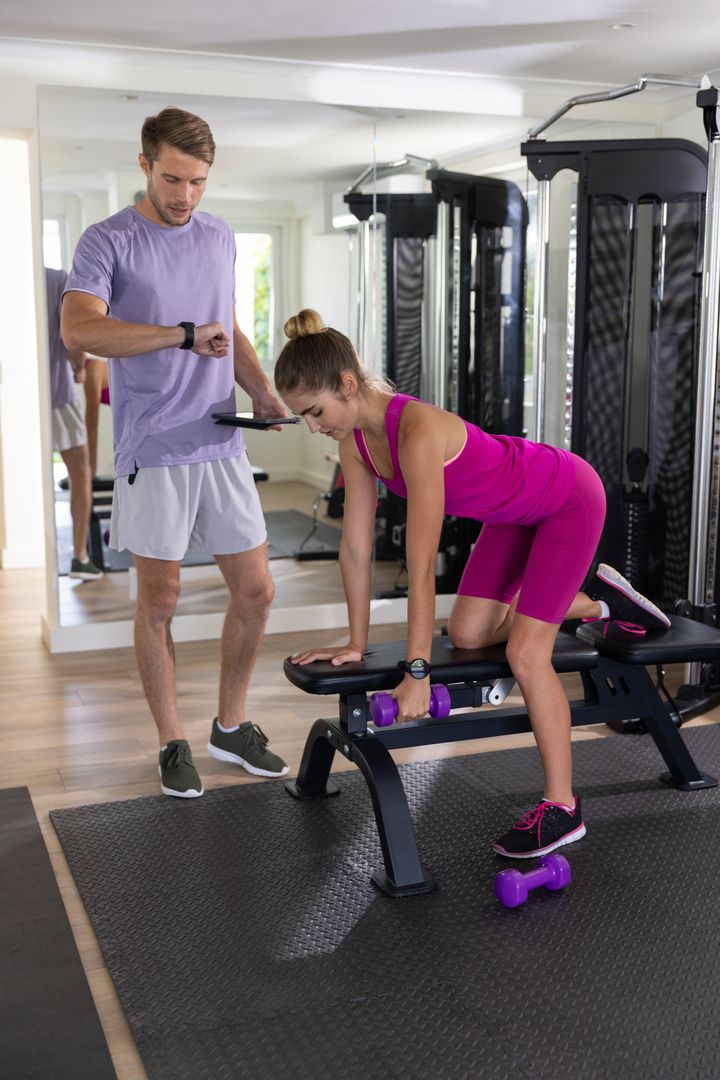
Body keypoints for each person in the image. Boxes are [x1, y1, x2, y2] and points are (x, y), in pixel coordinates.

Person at [274, 309, 671, 859]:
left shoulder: (417, 431)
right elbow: (356, 550)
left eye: (315, 412)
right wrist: (355, 643)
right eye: (303, 418)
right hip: (511, 518)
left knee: (526, 653)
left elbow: (420, 565)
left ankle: (563, 808)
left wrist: (417, 672)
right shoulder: (355, 443)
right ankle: (598, 604)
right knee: (467, 634)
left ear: (346, 384)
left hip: (566, 498)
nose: (314, 427)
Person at [61, 106, 289, 798]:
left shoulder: (218, 236)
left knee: (256, 590)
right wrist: (182, 335)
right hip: (154, 445)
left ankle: (231, 726)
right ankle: (171, 741)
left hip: (219, 438)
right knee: (160, 601)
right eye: (171, 178)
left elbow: (230, 328)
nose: (185, 195)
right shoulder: (108, 241)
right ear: (145, 165)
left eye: (198, 181)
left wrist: (263, 392)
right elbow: (80, 329)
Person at [45, 266, 103, 581]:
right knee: (80, 472)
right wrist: (79, 368)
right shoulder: (56, 280)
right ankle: (80, 556)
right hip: (57, 394)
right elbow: (75, 336)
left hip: (19, 402)